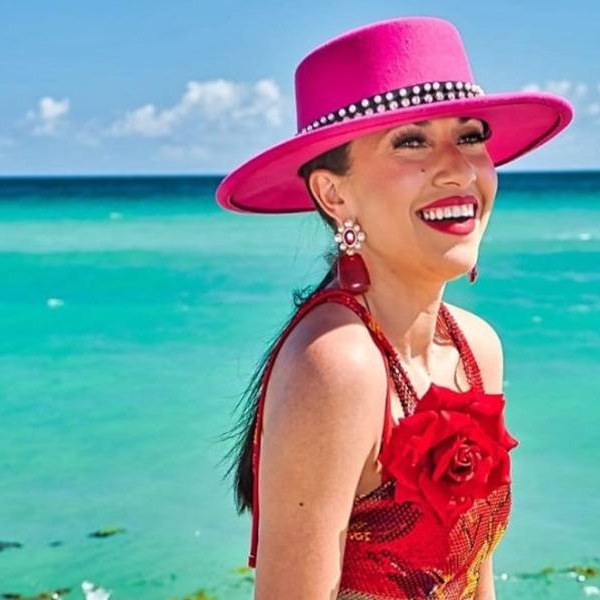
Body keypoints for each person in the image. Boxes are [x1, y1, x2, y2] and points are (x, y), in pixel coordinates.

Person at [216, 16, 573, 599]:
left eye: (470, 135)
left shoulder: (474, 346)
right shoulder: (338, 364)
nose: (458, 167)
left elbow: (472, 573)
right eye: (411, 141)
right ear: (334, 195)